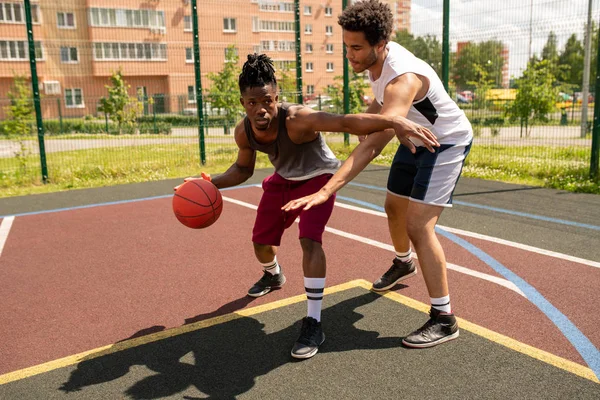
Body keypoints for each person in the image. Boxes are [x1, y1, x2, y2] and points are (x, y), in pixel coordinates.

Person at [176, 53, 438, 359]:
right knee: (260, 243)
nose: (260, 109)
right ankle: (273, 274)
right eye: (252, 103)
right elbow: (242, 170)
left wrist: (393, 120)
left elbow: (345, 122)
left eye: (267, 101)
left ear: (276, 97)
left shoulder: (297, 118)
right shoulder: (243, 131)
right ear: (242, 103)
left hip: (318, 178)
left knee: (309, 239)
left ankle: (314, 321)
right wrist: (207, 184)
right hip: (284, 179)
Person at [283, 0, 473, 349]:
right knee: (393, 207)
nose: (350, 56)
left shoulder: (402, 79)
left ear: (380, 45)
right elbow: (382, 111)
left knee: (418, 225)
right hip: (414, 134)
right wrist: (369, 117)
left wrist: (327, 189)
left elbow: (372, 145)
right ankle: (404, 263)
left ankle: (444, 319)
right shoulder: (378, 65)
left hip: (445, 142)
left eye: (357, 48)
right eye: (346, 47)